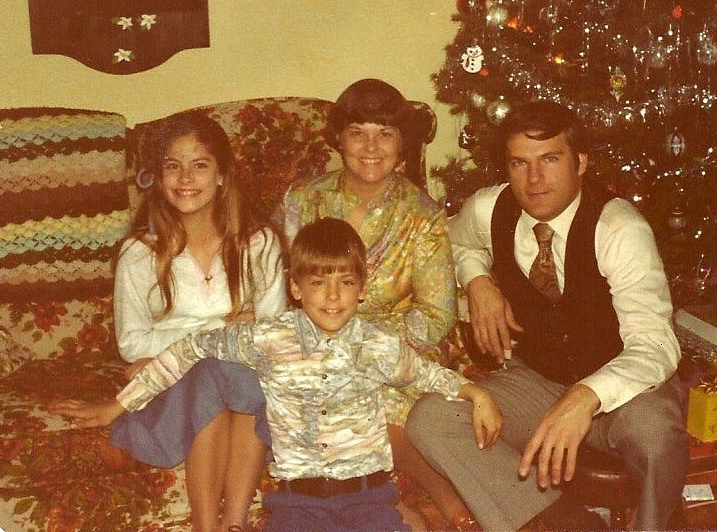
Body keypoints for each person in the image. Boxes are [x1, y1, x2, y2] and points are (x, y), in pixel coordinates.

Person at [53, 217, 503, 532]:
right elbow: (187, 350)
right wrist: (119, 403)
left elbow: (426, 374)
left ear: (362, 289)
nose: (332, 296)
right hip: (297, 504)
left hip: (369, 498)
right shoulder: (265, 337)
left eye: (345, 282)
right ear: (294, 287)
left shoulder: (377, 345)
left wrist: (475, 394)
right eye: (318, 282)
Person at [406, 100, 689, 531]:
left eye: (550, 160)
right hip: (535, 379)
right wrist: (478, 281)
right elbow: (452, 240)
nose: (533, 179)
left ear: (581, 163)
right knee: (432, 418)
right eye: (519, 163)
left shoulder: (619, 229)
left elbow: (657, 344)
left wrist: (585, 395)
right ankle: (560, 521)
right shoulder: (490, 208)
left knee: (657, 435)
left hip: (621, 389)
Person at [277, 79, 475, 528]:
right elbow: (284, 289)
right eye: (358, 131)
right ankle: (395, 510)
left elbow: (437, 315)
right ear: (339, 140)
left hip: (397, 347)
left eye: (385, 133)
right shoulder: (303, 199)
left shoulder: (422, 215)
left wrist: (361, 344)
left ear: (402, 145)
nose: (371, 146)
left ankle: (439, 503)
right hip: (314, 338)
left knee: (361, 397)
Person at [110, 111, 288, 532]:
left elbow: (272, 332)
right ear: (157, 176)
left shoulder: (259, 244)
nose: (185, 177)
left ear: (222, 175)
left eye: (200, 164)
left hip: (245, 378)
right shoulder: (140, 253)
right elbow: (132, 344)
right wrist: (220, 331)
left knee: (236, 373)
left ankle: (233, 524)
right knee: (212, 372)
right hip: (171, 384)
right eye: (172, 165)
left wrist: (225, 340)